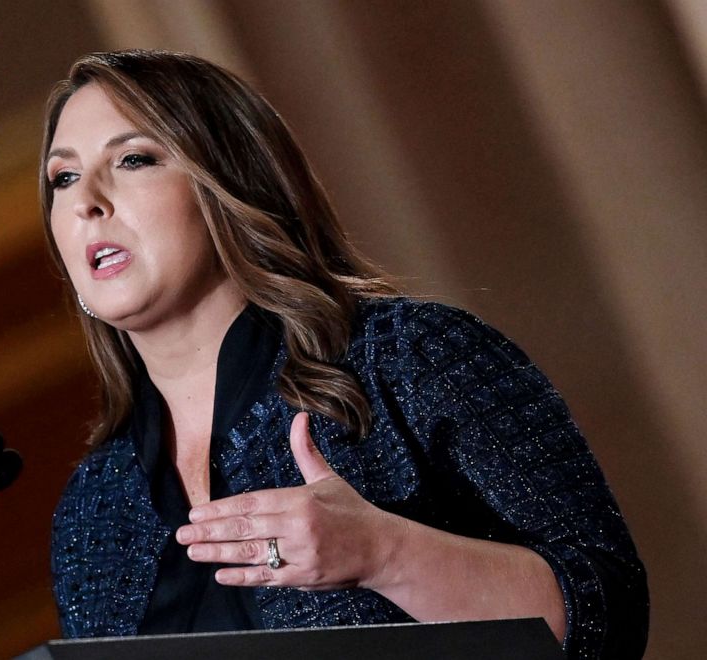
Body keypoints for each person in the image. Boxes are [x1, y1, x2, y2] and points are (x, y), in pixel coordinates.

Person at [41, 50, 648, 658]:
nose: (86, 201)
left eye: (133, 159)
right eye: (62, 178)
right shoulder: (95, 508)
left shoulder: (411, 358)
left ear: (229, 182)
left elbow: (609, 612)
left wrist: (384, 554)